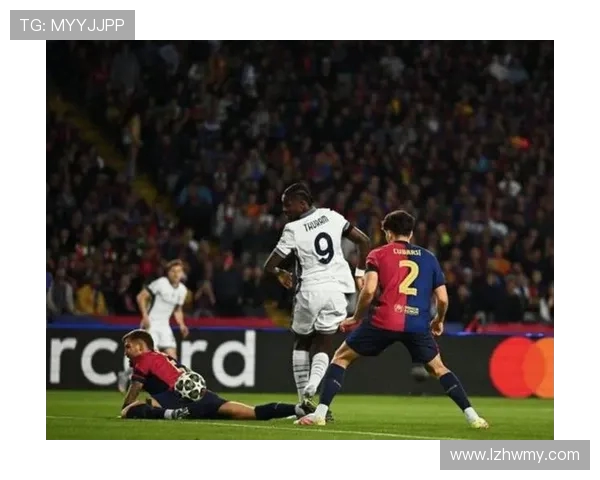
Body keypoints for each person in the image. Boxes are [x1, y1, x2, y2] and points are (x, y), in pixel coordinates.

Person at [295, 210, 489, 429]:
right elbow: (443, 299)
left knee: (341, 358)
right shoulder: (429, 258)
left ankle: (320, 414)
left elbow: (369, 291)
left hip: (384, 320)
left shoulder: (378, 254)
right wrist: (439, 320)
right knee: (438, 368)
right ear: (411, 233)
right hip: (417, 324)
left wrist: (356, 317)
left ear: (388, 232)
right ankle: (473, 417)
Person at [263, 183, 370, 418]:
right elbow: (364, 241)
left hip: (310, 290)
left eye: (288, 205)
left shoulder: (293, 229)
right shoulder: (332, 216)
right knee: (325, 342)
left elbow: (269, 265)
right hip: (337, 291)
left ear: (302, 204)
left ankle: (304, 401)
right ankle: (315, 384)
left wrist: (280, 273)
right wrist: (360, 273)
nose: (284, 210)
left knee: (301, 342)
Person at [119, 329, 315, 422]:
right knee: (252, 413)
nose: (126, 352)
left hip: (174, 400)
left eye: (128, 347)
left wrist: (125, 407)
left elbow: (134, 390)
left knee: (130, 410)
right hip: (204, 397)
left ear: (140, 347)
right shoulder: (163, 356)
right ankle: (298, 408)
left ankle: (170, 414)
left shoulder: (142, 360)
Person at [117, 259, 190, 393]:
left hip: (165, 325)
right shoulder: (161, 283)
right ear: (168, 273)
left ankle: (172, 389)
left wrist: (181, 324)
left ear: (182, 273)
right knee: (147, 357)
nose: (175, 274)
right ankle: (126, 375)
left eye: (178, 271)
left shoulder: (182, 290)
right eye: (173, 271)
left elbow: (177, 310)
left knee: (173, 358)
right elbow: (141, 297)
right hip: (151, 324)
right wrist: (145, 316)